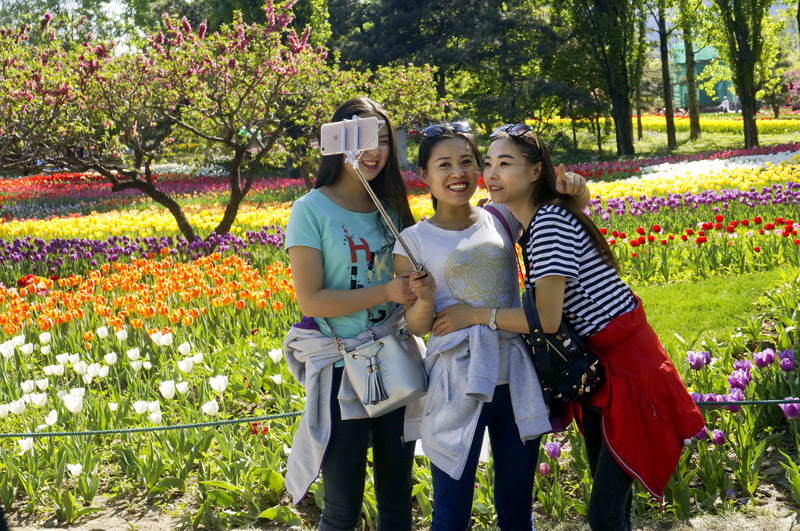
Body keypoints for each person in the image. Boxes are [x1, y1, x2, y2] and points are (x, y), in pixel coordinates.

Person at [432, 124, 705, 531]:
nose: (491, 174)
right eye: (488, 163)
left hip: (628, 372)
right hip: (598, 369)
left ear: (535, 171)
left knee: (604, 515)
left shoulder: (547, 224)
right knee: (612, 507)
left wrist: (473, 315)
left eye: (505, 163)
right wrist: (578, 193)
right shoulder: (532, 219)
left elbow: (546, 320)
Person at [393, 122, 589, 531]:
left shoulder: (499, 216)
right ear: (424, 175)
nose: (458, 173)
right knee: (451, 512)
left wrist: (577, 188)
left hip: (515, 375)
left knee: (516, 508)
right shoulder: (412, 240)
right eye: (444, 165)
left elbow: (563, 207)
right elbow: (417, 326)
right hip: (455, 381)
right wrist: (425, 299)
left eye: (467, 162)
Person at [282, 97, 423, 531]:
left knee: (397, 499)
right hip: (341, 365)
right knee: (343, 506)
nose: (373, 150)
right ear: (336, 142)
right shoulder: (310, 209)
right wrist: (388, 291)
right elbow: (311, 300)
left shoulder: (392, 209)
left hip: (393, 357)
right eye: (361, 138)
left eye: (383, 139)